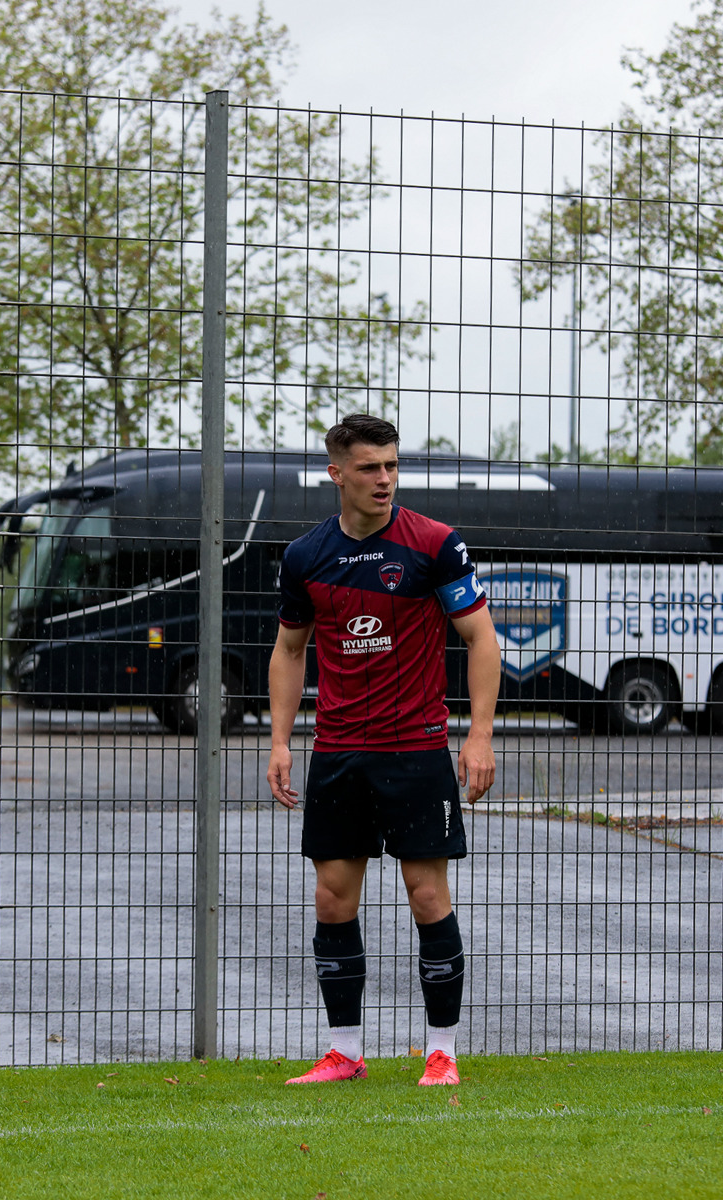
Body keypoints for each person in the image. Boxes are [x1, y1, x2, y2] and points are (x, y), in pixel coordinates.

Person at [267, 413, 499, 1088]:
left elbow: (482, 640)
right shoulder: (304, 556)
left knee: (427, 895)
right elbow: (288, 650)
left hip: (416, 748)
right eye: (369, 468)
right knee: (332, 899)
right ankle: (344, 1052)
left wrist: (479, 736)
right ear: (336, 474)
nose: (385, 479)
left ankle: (442, 1052)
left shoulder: (434, 545)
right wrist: (281, 742)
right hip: (338, 750)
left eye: (392, 465)